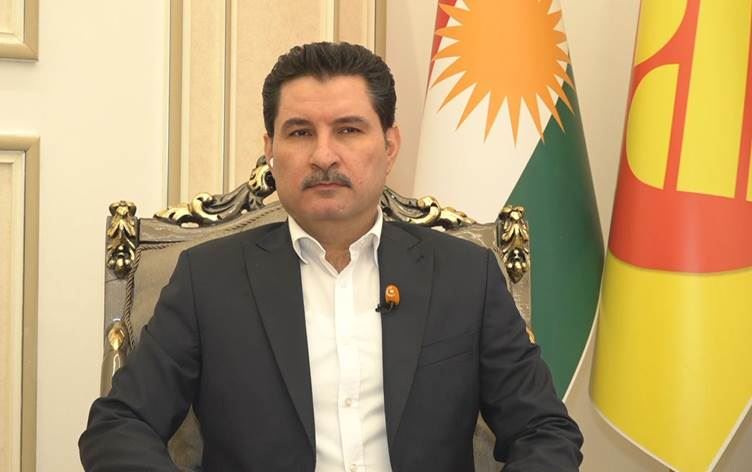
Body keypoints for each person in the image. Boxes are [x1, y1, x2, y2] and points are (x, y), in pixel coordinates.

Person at [80, 41, 583, 471]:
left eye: (348, 129)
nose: (323, 155)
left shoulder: (465, 275)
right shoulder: (207, 279)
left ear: (390, 145)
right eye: (300, 132)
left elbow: (544, 431)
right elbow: (119, 425)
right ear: (270, 149)